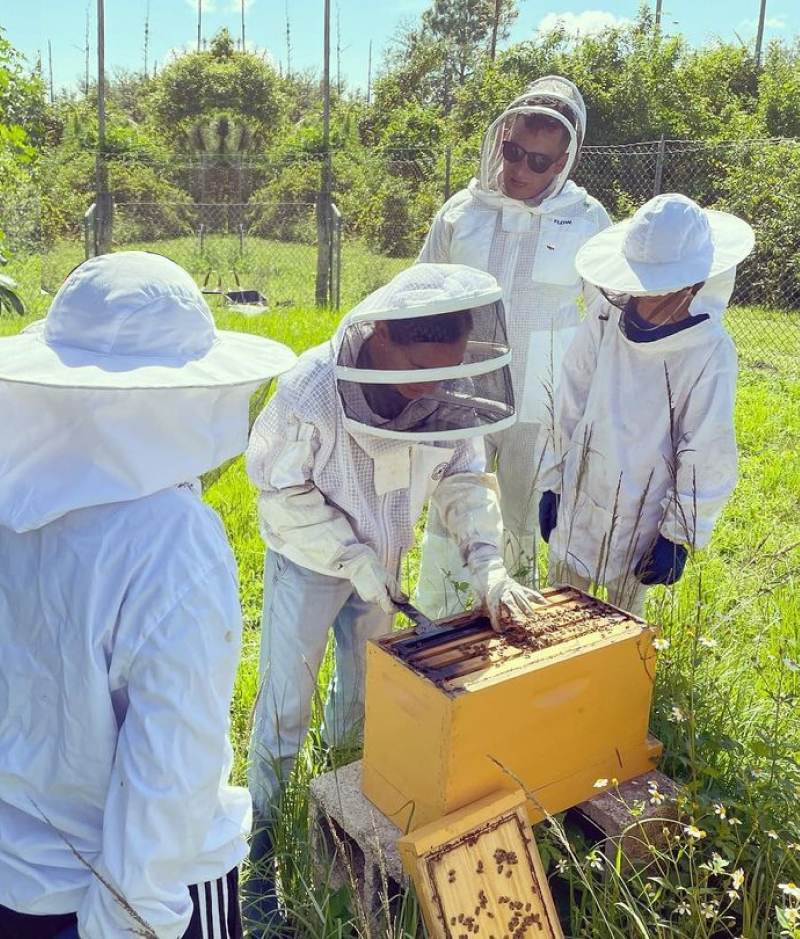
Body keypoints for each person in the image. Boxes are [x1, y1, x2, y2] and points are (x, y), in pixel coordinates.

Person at [0, 251, 297, 939]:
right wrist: (128, 922)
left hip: (19, 879)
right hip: (134, 899)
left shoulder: (11, 502)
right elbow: (172, 768)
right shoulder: (174, 543)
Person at [244, 262, 543, 921]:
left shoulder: (443, 391)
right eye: (423, 371)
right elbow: (280, 491)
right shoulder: (310, 392)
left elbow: (465, 476)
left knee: (365, 695)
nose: (434, 387)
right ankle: (262, 844)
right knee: (286, 699)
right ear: (380, 337)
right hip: (309, 558)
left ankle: (340, 816)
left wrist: (489, 563)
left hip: (384, 560)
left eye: (447, 369)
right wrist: (347, 556)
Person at [415, 75, 612, 616]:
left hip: (541, 396)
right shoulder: (462, 211)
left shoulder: (588, 219)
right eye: (513, 152)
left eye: (539, 161)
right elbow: (418, 290)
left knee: (525, 512)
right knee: (454, 503)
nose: (520, 170)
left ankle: (512, 618)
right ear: (500, 140)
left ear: (566, 159)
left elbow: (607, 314)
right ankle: (443, 614)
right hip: (463, 391)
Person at [538, 193, 755, 616]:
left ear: (693, 283)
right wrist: (553, 479)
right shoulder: (605, 314)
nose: (643, 298)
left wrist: (678, 533)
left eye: (659, 288)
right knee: (559, 608)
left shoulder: (709, 351)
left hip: (645, 509)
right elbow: (571, 394)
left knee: (619, 624)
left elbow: (706, 445)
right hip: (582, 484)